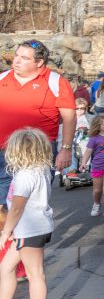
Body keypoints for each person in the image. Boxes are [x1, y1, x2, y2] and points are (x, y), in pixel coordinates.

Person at [0, 40, 75, 202]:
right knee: (3, 203)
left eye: (24, 58)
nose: (16, 61)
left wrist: (66, 149)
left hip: (38, 152)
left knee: (33, 203)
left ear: (39, 62)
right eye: (16, 55)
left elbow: (69, 118)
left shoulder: (56, 82)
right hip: (4, 152)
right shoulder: (2, 78)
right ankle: (7, 228)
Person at [0, 128, 54, 299]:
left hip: (29, 230)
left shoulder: (25, 176)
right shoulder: (39, 169)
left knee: (35, 274)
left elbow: (17, 208)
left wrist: (6, 232)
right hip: (28, 229)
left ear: (17, 151)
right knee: (6, 268)